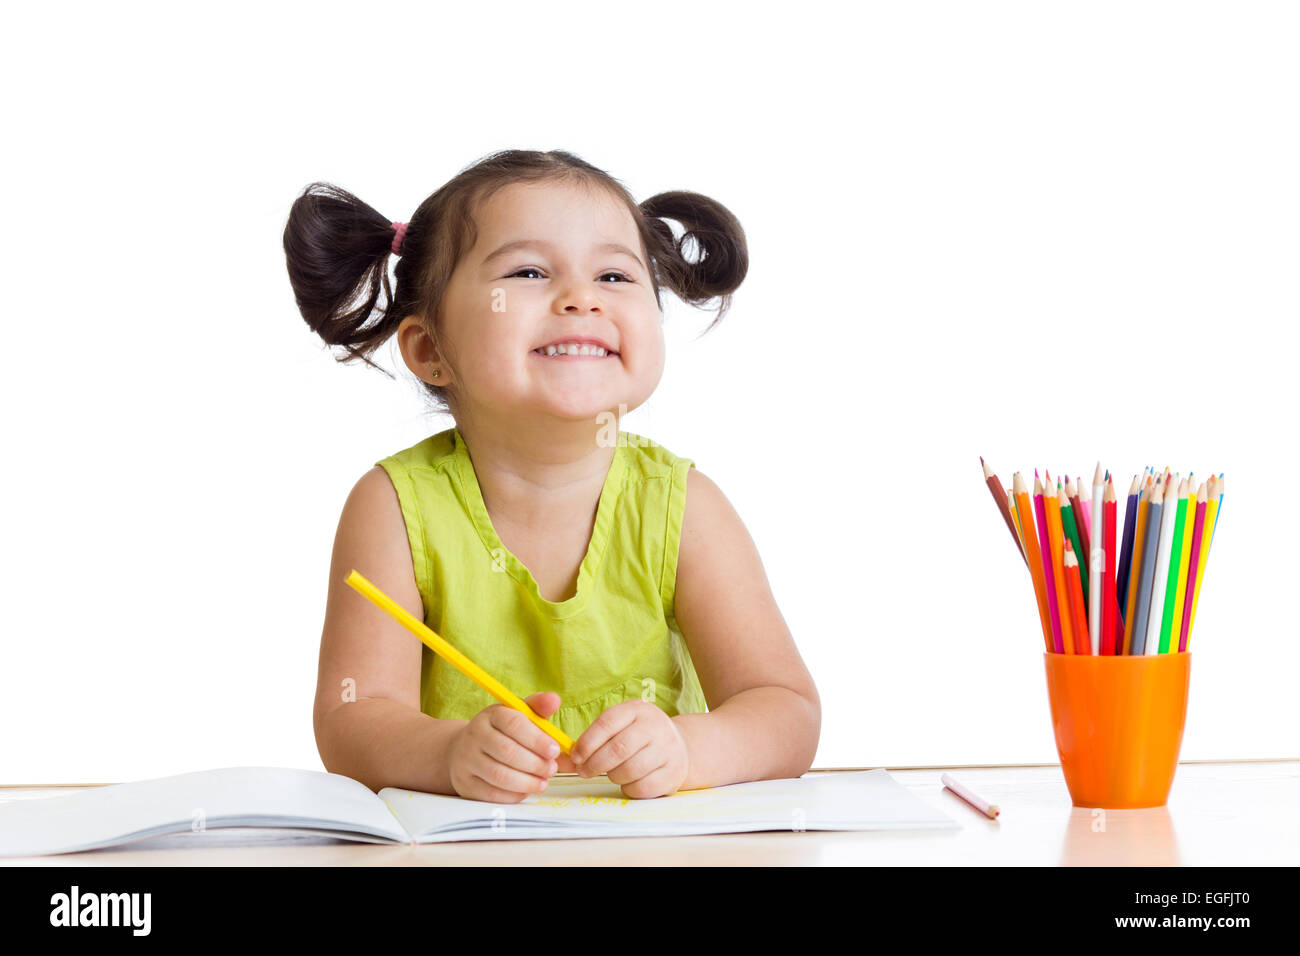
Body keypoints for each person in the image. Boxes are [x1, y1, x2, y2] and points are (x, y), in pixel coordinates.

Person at [283, 148, 819, 802]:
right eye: (530, 271)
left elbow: (786, 710)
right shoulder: (392, 507)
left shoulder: (684, 506)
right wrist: (449, 753)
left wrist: (689, 749)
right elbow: (350, 717)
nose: (581, 298)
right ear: (430, 350)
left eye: (616, 277)